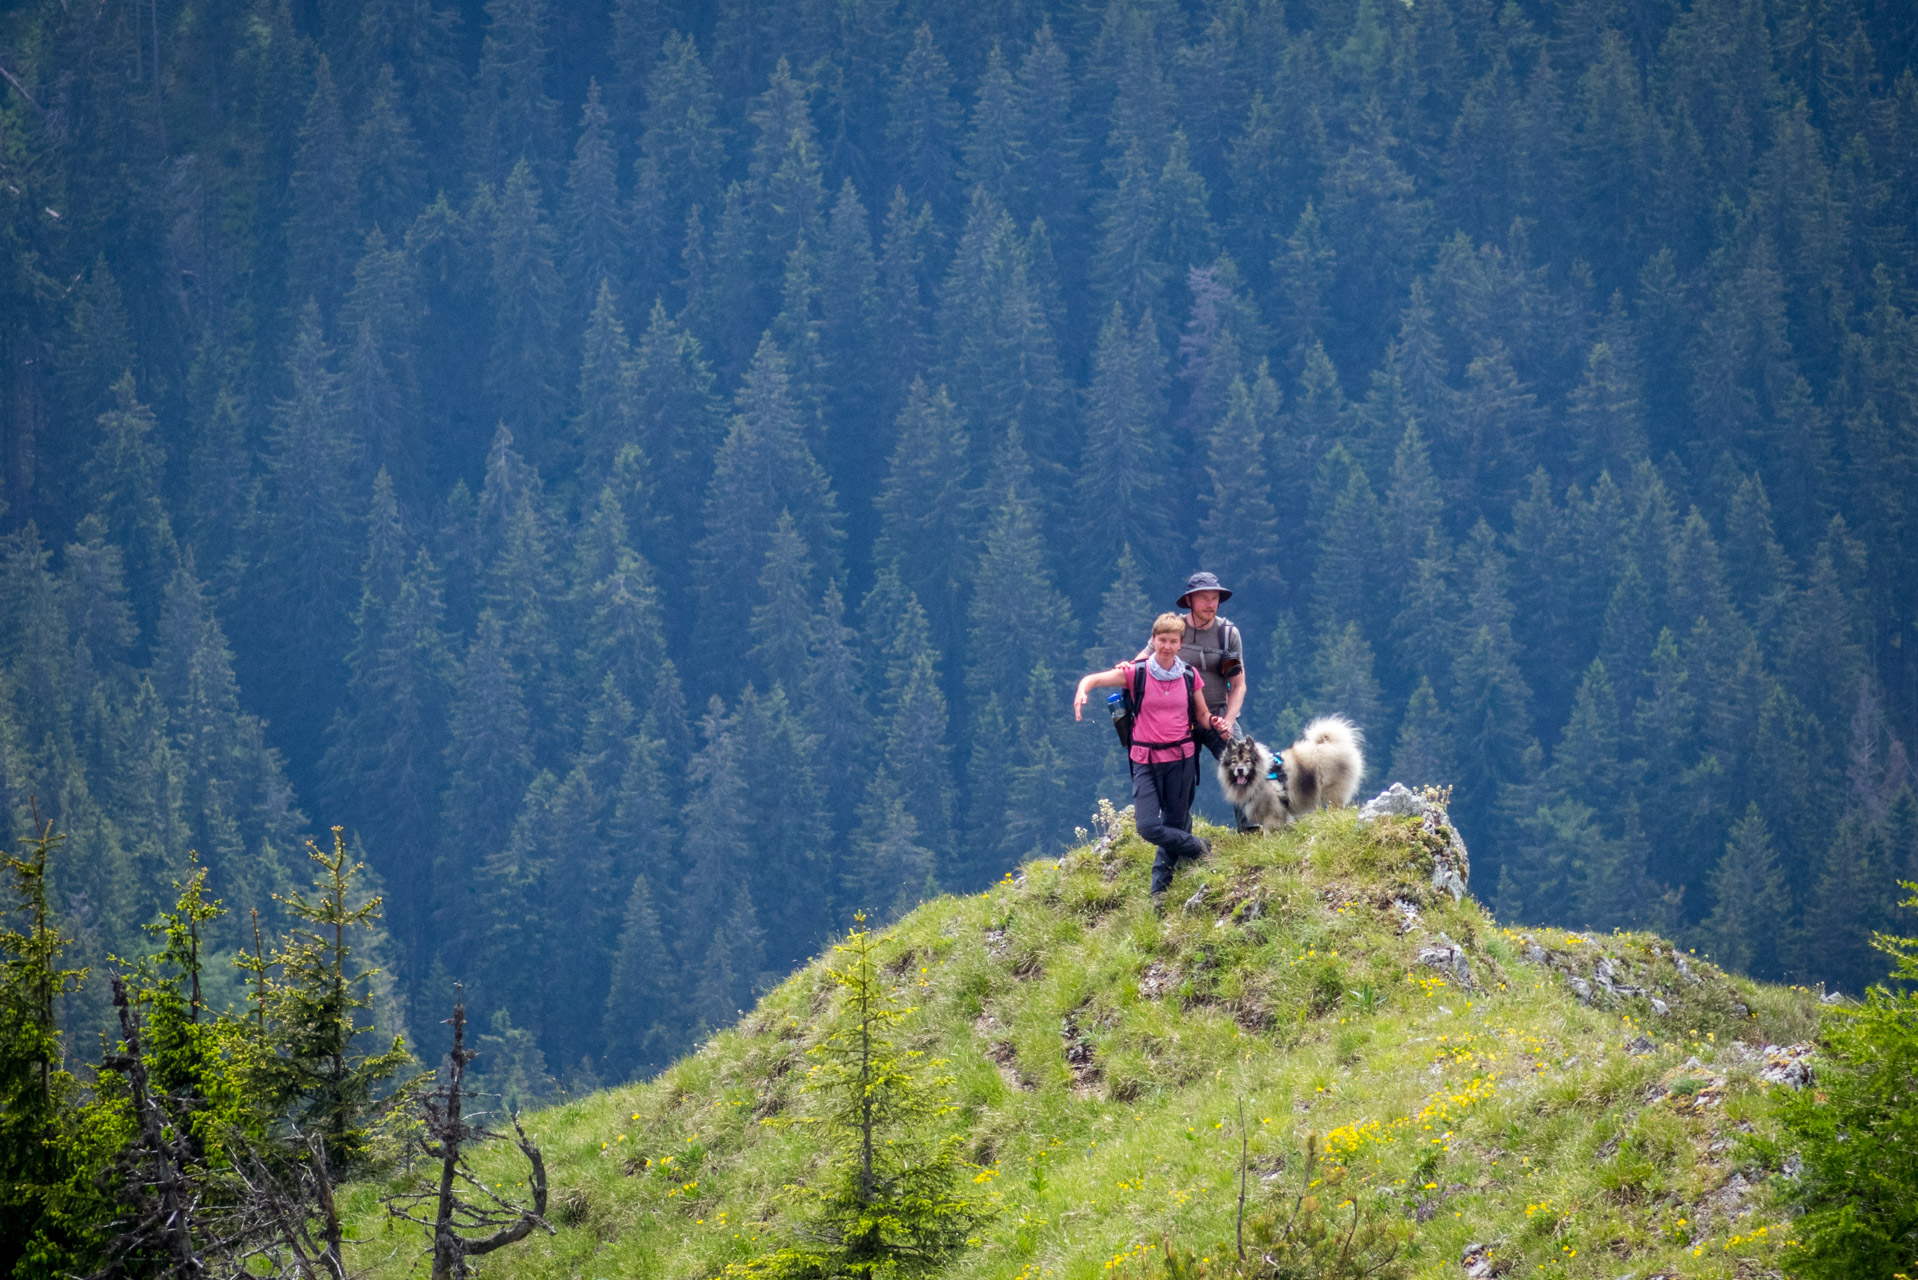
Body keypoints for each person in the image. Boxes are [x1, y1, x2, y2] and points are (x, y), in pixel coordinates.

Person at [1075, 612, 1216, 902]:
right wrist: (1082, 691)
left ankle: (1159, 893)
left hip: (1182, 759)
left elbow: (1202, 716)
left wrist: (1219, 726)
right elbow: (1094, 679)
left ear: (1181, 644)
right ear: (1153, 641)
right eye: (1161, 640)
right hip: (1146, 761)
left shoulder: (1190, 675)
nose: (1166, 646)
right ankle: (1200, 848)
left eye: (1172, 641)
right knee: (1149, 827)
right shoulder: (1135, 673)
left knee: (1175, 825)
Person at [1128, 571, 1252, 828]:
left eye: (1215, 597)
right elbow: (1141, 662)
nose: (1211, 603)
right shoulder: (1174, 631)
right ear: (1190, 601)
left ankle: (1249, 830)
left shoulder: (1228, 634)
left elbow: (1239, 686)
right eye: (1204, 598)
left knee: (1242, 766)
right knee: (1181, 784)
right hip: (1180, 721)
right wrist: (1124, 669)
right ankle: (1181, 839)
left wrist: (1229, 721)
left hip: (1217, 715)